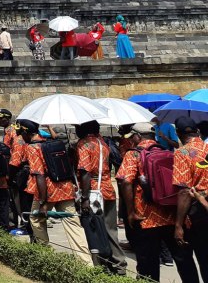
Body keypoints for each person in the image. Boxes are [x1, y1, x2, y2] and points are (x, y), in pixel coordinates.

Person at [18, 119, 93, 265]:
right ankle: (86, 263)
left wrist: (43, 202)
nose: (21, 136)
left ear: (27, 132)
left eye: (22, 132)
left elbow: (39, 174)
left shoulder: (33, 148)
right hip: (65, 187)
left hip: (47, 190)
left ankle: (45, 256)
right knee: (72, 223)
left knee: (36, 219)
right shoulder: (51, 142)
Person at [117, 122, 183, 282]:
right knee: (181, 260)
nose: (131, 140)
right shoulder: (167, 152)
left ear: (138, 136)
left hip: (145, 217)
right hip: (169, 215)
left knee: (148, 263)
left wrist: (130, 213)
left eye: (132, 137)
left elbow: (126, 181)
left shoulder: (133, 154)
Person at [75, 120, 127, 274]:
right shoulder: (102, 143)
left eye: (78, 127)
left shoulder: (83, 144)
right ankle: (119, 264)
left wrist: (84, 198)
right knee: (111, 229)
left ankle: (99, 263)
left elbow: (85, 172)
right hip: (107, 189)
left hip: (92, 192)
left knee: (94, 229)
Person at [173, 116, 208, 280]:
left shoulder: (182, 153)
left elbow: (184, 191)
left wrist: (178, 225)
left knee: (188, 256)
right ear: (197, 131)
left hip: (196, 214)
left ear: (178, 133)